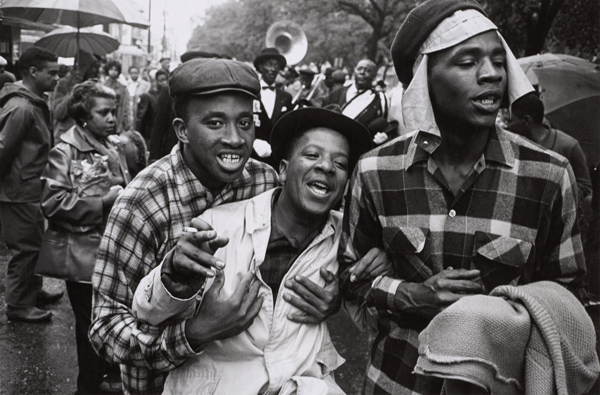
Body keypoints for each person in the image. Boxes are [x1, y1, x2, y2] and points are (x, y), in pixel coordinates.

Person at [338, 1, 587, 394]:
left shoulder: (550, 175)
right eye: (467, 61)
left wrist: (491, 316)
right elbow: (349, 278)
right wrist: (407, 295)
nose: (491, 74)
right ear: (426, 78)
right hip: (396, 380)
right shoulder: (375, 172)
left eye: (497, 60)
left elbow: (568, 298)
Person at [89, 58, 340, 394]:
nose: (235, 139)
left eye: (245, 122)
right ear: (182, 130)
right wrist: (195, 332)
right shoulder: (142, 202)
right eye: (215, 123)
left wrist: (336, 293)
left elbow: (317, 244)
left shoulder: (266, 181)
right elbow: (105, 329)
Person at [129, 105, 379, 394]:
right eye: (312, 155)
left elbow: (373, 319)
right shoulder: (218, 226)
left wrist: (358, 284)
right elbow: (146, 312)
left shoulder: (347, 239)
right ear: (283, 170)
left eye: (340, 163)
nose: (326, 167)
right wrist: (175, 275)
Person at [39, 81, 132, 394]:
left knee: (109, 317)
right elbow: (52, 203)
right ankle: (88, 386)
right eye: (103, 112)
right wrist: (102, 203)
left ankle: (106, 376)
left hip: (112, 250)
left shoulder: (112, 146)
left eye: (113, 112)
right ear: (82, 116)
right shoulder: (64, 152)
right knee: (88, 324)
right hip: (81, 255)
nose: (111, 118)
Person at [415, 281, 599, 395]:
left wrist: (517, 310)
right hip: (399, 376)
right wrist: (405, 293)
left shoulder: (546, 216)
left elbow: (570, 283)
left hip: (514, 373)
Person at [0, 46, 63, 323]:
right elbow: (2, 151)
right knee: (25, 249)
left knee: (35, 244)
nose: (57, 78)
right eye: (52, 73)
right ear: (33, 72)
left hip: (30, 187)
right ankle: (18, 305)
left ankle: (32, 292)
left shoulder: (34, 102)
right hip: (19, 191)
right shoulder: (21, 107)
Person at [509, 92, 592, 208]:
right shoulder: (515, 144)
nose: (508, 126)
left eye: (511, 121)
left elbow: (585, 185)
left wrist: (556, 196)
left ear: (527, 120)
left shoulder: (568, 145)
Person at [148, 50, 220, 161]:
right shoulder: (169, 91)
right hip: (174, 153)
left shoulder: (214, 93)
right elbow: (158, 126)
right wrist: (154, 156)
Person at [322, 59, 390, 146]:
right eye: (359, 69)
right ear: (354, 71)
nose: (362, 72)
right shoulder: (337, 93)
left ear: (374, 76)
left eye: (368, 70)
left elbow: (384, 126)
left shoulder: (380, 99)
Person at [252, 47, 293, 168]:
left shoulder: (285, 97)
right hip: (252, 155)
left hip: (275, 158)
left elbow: (288, 128)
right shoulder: (251, 93)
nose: (273, 69)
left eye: (276, 66)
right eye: (269, 65)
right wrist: (253, 141)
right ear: (260, 67)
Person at [51, 50, 100, 142]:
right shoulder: (63, 84)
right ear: (83, 67)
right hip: (66, 137)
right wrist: (75, 89)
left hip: (86, 137)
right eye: (92, 67)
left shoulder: (92, 84)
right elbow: (58, 114)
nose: (95, 71)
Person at [135, 69, 167, 147]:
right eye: (161, 80)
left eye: (166, 80)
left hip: (163, 136)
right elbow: (140, 118)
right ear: (156, 81)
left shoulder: (168, 96)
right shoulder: (148, 96)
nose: (164, 83)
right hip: (149, 135)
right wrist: (137, 137)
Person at [103, 60, 131, 134]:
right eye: (111, 69)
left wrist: (127, 121)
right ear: (107, 70)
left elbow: (126, 105)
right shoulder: (102, 86)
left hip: (118, 113)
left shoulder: (122, 87)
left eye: (116, 70)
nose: (113, 72)